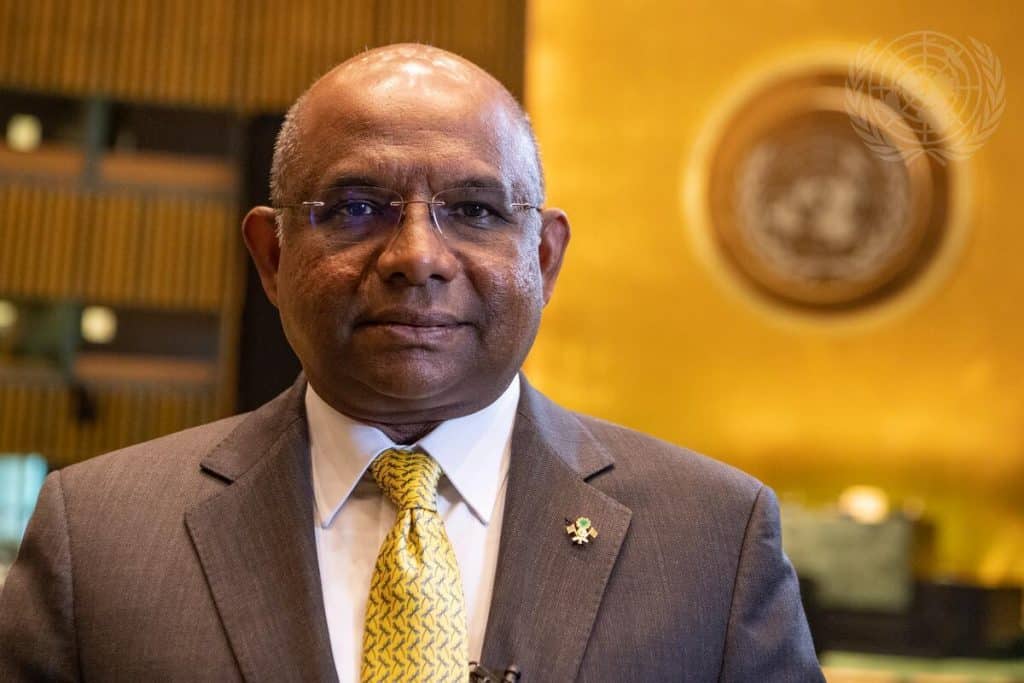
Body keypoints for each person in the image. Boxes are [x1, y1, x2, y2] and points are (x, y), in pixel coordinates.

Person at [0, 44, 823, 682]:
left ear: (544, 256)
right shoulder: (99, 539)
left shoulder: (713, 542)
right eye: (358, 207)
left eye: (475, 210)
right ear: (272, 256)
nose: (417, 256)